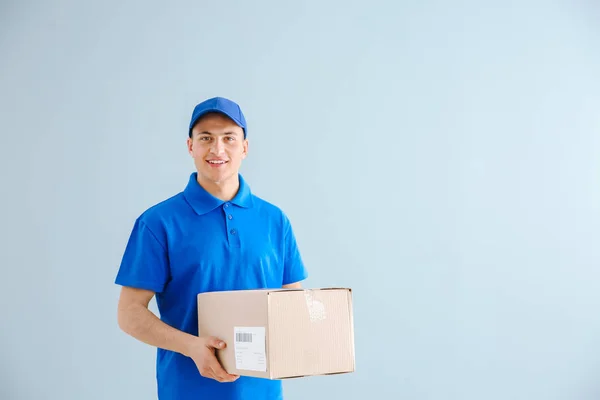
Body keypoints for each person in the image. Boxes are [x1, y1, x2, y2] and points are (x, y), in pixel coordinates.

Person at [115, 96, 308, 400]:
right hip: (188, 391)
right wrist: (191, 346)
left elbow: (293, 301)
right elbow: (129, 313)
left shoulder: (274, 220)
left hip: (264, 393)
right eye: (206, 138)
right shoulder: (158, 223)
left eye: (229, 138)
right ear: (190, 146)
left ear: (245, 147)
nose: (217, 149)